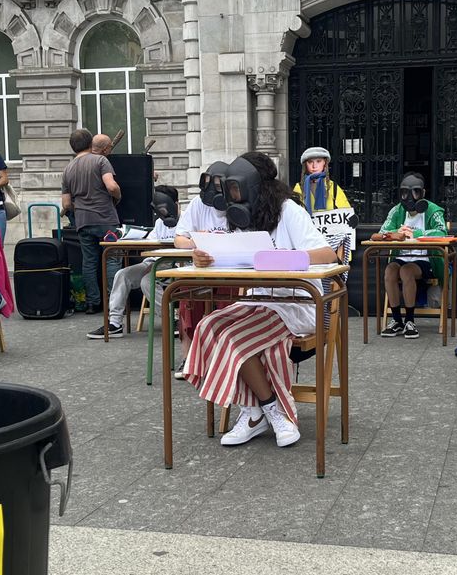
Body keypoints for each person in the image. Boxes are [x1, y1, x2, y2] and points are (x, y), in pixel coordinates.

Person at [182, 152, 338, 447]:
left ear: (254, 185)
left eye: (236, 189)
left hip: (296, 303)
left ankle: (267, 411)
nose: (233, 196)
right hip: (258, 300)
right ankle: (258, 410)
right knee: (208, 326)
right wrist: (205, 258)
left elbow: (327, 254)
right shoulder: (243, 216)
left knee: (233, 336)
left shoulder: (289, 211)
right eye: (230, 190)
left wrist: (282, 259)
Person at [90, 185, 179, 339]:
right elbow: (150, 243)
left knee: (147, 281)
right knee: (122, 274)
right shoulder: (160, 222)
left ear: (175, 204)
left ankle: (172, 320)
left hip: (175, 264)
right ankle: (115, 323)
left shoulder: (186, 220)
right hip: (153, 262)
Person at [169, 162, 231, 378]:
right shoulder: (198, 204)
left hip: (231, 270)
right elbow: (179, 239)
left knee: (230, 298)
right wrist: (196, 242)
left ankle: (223, 355)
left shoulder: (240, 202)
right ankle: (188, 357)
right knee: (187, 293)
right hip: (203, 267)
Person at [61, 128, 122, 326]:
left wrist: (80, 208)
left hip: (83, 221)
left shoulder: (68, 169)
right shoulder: (100, 161)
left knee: (89, 262)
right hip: (106, 219)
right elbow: (111, 186)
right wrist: (118, 196)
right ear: (90, 143)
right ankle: (114, 302)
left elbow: (66, 204)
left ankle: (92, 302)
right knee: (112, 259)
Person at [376, 172, 447, 339]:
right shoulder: (397, 210)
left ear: (423, 193)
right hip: (401, 257)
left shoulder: (433, 210)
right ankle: (396, 320)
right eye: (404, 193)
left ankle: (410, 320)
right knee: (390, 271)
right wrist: (397, 232)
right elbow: (382, 231)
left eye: (415, 192)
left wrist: (417, 233)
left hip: (427, 259)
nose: (409, 198)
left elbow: (442, 232)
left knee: (406, 270)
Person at [291, 147, 350, 213]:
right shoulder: (299, 187)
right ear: (305, 165)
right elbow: (293, 212)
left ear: (324, 163)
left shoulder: (333, 187)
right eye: (310, 162)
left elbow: (346, 211)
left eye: (318, 161)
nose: (314, 166)